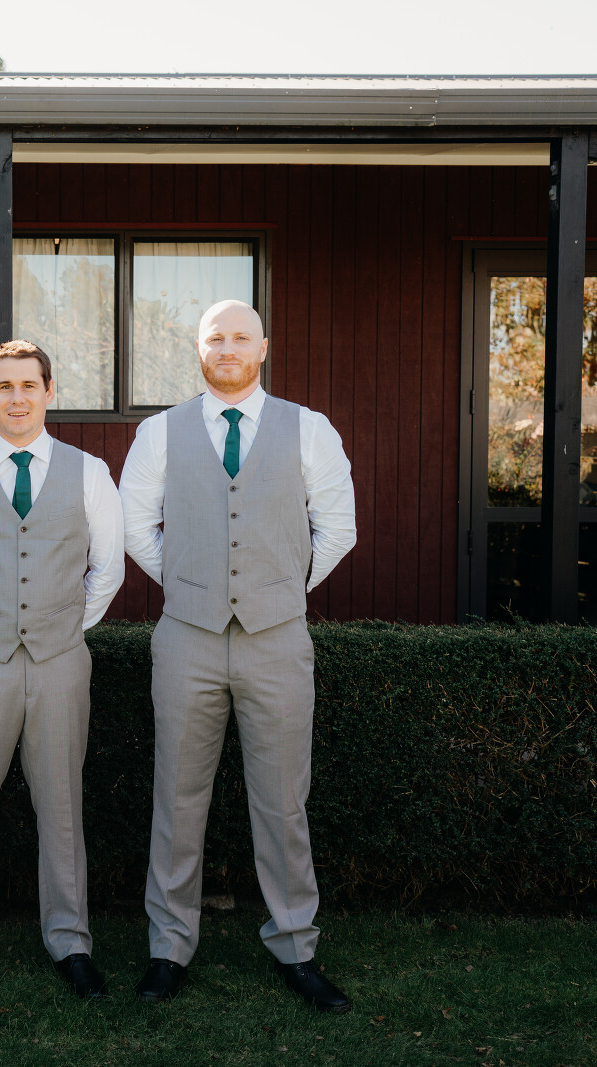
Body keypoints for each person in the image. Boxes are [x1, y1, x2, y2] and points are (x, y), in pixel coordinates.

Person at [119, 299, 357, 1012]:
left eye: (240, 338)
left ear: (263, 347)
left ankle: (296, 946)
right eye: (215, 338)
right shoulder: (159, 432)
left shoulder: (309, 428)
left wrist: (281, 588)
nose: (227, 348)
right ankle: (168, 947)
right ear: (199, 350)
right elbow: (135, 524)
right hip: (186, 637)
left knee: (283, 802)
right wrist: (191, 584)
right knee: (177, 797)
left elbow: (338, 527)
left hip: (277, 638)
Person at [0, 340, 125, 1002]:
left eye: (28, 385)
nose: (16, 397)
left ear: (49, 391)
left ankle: (71, 941)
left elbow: (108, 569)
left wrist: (61, 626)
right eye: (3, 386)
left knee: (62, 805)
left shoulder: (89, 472)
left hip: (62, 661)